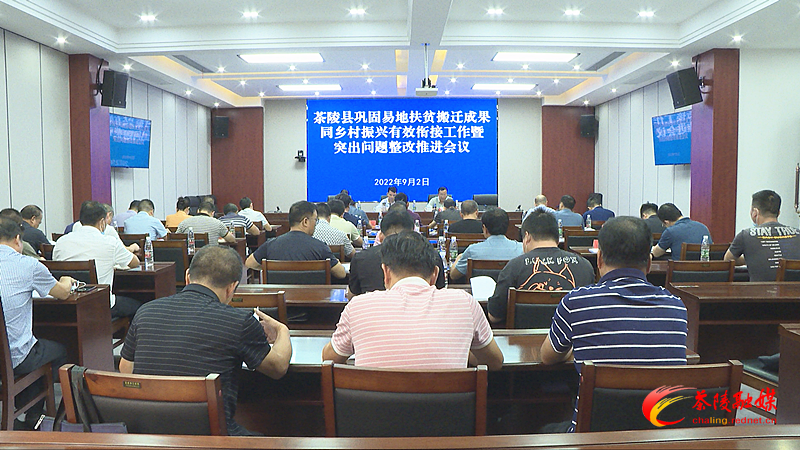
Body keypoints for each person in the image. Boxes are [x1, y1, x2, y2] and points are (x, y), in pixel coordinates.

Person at [119, 245, 292, 436]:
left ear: (187, 276)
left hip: (150, 436)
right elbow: (278, 368)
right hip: (212, 438)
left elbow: (126, 370)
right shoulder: (239, 321)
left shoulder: (145, 311)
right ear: (231, 288)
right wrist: (282, 330)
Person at [540, 216, 688, 433]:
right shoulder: (677, 307)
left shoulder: (576, 303)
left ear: (599, 259)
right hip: (658, 437)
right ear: (648, 263)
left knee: (544, 429)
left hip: (590, 438)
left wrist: (577, 346)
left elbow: (547, 356)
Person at [323, 231, 504, 370]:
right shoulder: (465, 303)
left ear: (385, 272)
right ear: (435, 274)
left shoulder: (359, 306)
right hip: (447, 410)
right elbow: (495, 362)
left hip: (373, 409)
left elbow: (329, 358)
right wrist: (459, 347)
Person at [0, 217, 73, 430]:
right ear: (17, 239)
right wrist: (67, 279)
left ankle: (22, 401)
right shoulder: (28, 265)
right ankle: (33, 414)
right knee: (59, 351)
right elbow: (62, 293)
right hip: (14, 358)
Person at [487, 210, 595, 323]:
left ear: (527, 237)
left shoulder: (513, 267)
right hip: (571, 334)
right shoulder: (585, 266)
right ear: (557, 237)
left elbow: (494, 316)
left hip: (524, 334)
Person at [53, 201, 142, 319]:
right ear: (102, 222)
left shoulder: (61, 242)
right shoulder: (110, 242)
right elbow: (134, 262)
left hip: (67, 307)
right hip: (100, 306)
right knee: (140, 307)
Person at [348, 211, 445, 296]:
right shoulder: (432, 256)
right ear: (414, 232)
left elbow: (352, 295)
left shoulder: (361, 258)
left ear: (380, 237)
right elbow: (440, 292)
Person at [245, 201, 347, 280]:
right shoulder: (320, 247)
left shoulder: (271, 244)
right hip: (313, 300)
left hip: (281, 300)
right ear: (305, 222)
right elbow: (341, 274)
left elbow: (249, 263)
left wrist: (270, 268)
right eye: (315, 220)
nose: (316, 224)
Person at [725, 190, 800, 281]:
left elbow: (728, 260)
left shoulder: (745, 235)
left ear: (755, 212)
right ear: (778, 213)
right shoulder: (798, 234)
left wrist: (752, 257)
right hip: (794, 290)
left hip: (760, 290)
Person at [450, 208, 523, 281]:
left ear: (484, 228)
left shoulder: (472, 251)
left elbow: (453, 275)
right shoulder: (521, 249)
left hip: (479, 288)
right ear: (507, 227)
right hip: (509, 289)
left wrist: (458, 258)